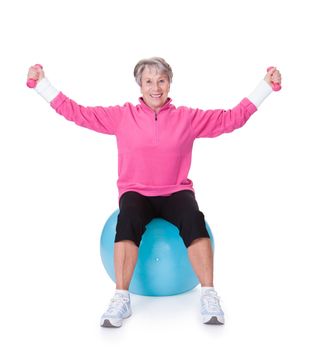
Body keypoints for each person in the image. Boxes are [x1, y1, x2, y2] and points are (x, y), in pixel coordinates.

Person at [27, 58, 281, 328]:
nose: (155, 88)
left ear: (169, 83)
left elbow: (231, 119)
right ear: (140, 85)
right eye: (149, 81)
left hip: (176, 190)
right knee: (127, 221)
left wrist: (265, 87)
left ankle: (208, 295)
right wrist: (42, 84)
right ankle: (121, 298)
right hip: (135, 191)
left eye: (161, 80)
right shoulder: (123, 116)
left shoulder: (187, 118)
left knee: (194, 219)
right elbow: (78, 113)